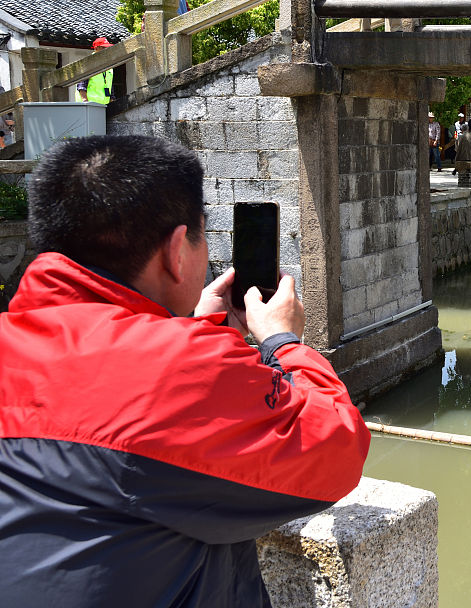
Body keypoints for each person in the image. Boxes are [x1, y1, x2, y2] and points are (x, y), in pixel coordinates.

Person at [0, 134, 369, 606]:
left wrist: (204, 330)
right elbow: (335, 448)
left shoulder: (21, 333)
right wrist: (284, 341)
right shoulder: (172, 368)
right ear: (177, 251)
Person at [79, 37, 115, 104]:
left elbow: (110, 87)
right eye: (103, 48)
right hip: (90, 105)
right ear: (96, 48)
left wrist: (112, 102)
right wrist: (85, 103)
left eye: (107, 48)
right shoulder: (88, 63)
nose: (106, 50)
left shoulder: (109, 66)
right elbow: (82, 86)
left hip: (104, 105)